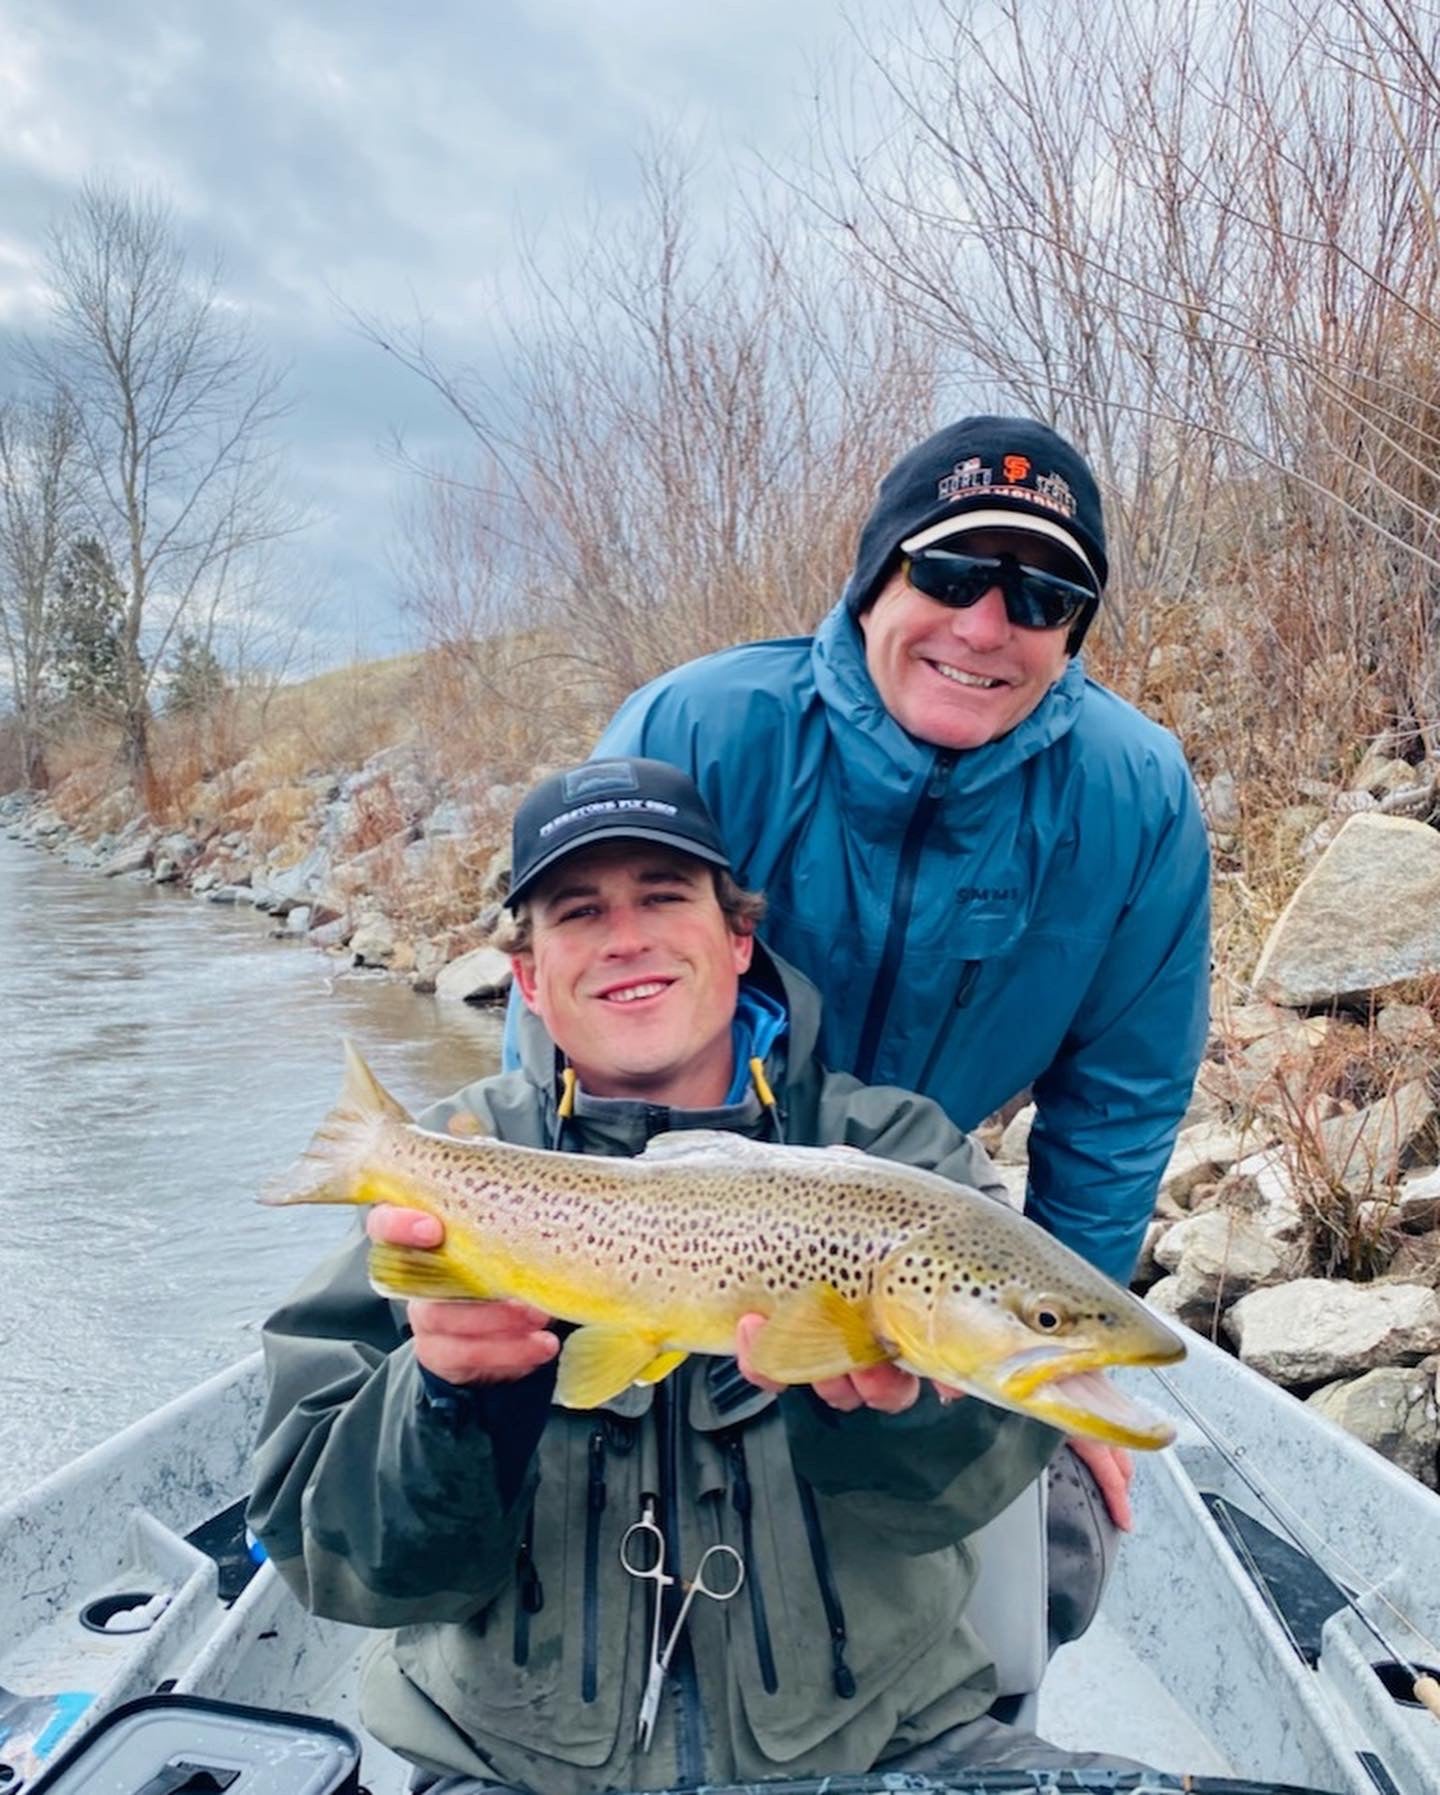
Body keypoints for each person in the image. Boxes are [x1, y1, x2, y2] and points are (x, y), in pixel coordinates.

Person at [248, 757, 1128, 1795]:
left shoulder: (895, 1159)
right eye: (580, 911)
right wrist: (444, 1399)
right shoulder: (449, 1170)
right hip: (514, 1769)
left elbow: (959, 1489)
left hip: (890, 1744)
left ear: (739, 938)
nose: (626, 937)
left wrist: (891, 1415)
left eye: (664, 896)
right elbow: (334, 1557)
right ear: (527, 977)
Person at [587, 416, 1212, 1534]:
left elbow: (1119, 1105)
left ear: (1072, 634)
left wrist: (1054, 1365)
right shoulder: (696, 729)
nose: (986, 626)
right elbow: (577, 1012)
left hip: (930, 1248)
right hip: (676, 1219)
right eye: (952, 572)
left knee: (1061, 1536)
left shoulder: (1136, 797)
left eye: (1042, 598)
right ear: (877, 578)